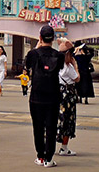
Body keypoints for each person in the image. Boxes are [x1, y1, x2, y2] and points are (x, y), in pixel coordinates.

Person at [25, 25, 65, 168]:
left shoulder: (33, 54)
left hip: (36, 96)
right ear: (53, 38)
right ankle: (49, 158)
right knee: (51, 127)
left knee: (38, 126)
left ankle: (40, 156)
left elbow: (27, 65)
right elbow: (60, 67)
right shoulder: (59, 55)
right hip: (53, 96)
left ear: (40, 37)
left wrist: (37, 47)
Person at [56, 39, 80, 157]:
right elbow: (77, 78)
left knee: (56, 119)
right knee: (68, 120)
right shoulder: (69, 67)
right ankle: (64, 148)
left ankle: (48, 146)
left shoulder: (56, 65)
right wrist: (75, 66)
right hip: (68, 95)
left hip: (57, 92)